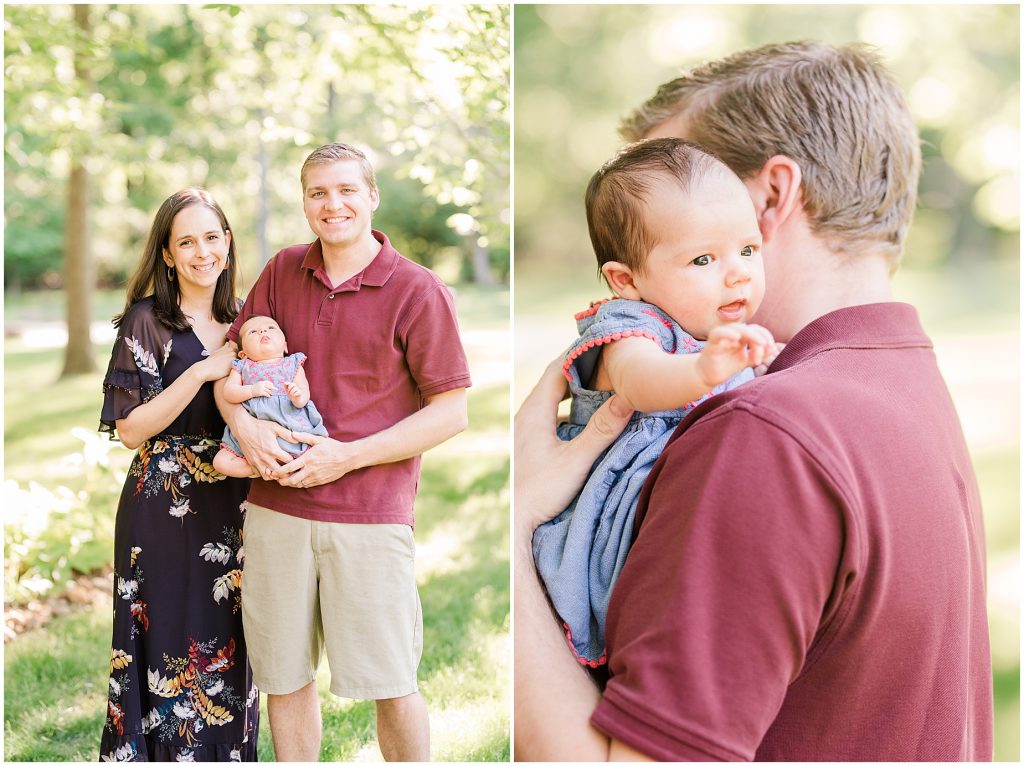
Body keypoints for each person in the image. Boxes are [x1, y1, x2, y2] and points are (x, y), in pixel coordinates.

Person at [515, 40, 993, 761]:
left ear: (769, 198)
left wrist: (513, 524)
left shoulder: (767, 433)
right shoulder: (904, 382)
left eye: (685, 197)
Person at [214, 142, 471, 762]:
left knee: (392, 682)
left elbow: (451, 412)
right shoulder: (282, 270)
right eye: (318, 193)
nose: (333, 205)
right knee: (284, 677)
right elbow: (230, 364)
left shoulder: (417, 290)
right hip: (276, 507)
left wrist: (347, 457)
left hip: (370, 514)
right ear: (305, 202)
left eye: (347, 190)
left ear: (372, 195)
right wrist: (240, 425)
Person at [532, 138, 777, 667]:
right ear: (628, 280)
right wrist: (702, 369)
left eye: (749, 250)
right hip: (626, 515)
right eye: (703, 259)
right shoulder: (627, 329)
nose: (737, 273)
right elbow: (641, 382)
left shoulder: (723, 332)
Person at [98, 188, 259, 761]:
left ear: (228, 242)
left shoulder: (249, 320)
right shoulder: (148, 322)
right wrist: (200, 374)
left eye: (211, 237)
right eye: (185, 242)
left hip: (238, 505)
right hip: (162, 508)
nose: (201, 252)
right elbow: (132, 429)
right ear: (167, 254)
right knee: (164, 647)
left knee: (234, 652)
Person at [212, 315, 328, 479]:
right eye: (253, 332)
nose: (262, 330)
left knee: (311, 453)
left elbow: (304, 394)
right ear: (243, 353)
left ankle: (284, 465)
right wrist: (252, 390)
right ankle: (261, 468)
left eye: (271, 328)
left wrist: (297, 396)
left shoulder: (292, 363)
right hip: (252, 429)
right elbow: (229, 392)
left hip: (289, 422)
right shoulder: (242, 366)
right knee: (221, 462)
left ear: (285, 346)